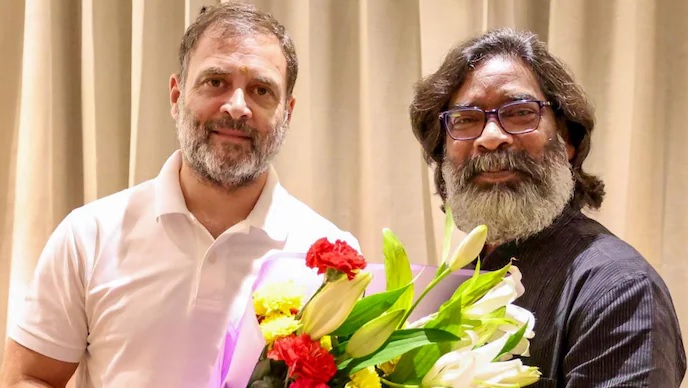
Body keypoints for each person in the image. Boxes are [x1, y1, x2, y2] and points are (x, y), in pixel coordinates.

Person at [0, 3, 359, 387]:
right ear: (176, 95)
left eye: (261, 90)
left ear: (287, 113)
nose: (237, 107)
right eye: (215, 81)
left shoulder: (332, 260)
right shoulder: (88, 235)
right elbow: (29, 376)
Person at [410, 28, 686, 387]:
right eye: (466, 119)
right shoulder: (458, 283)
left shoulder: (620, 291)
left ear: (567, 138)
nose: (491, 137)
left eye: (520, 112)